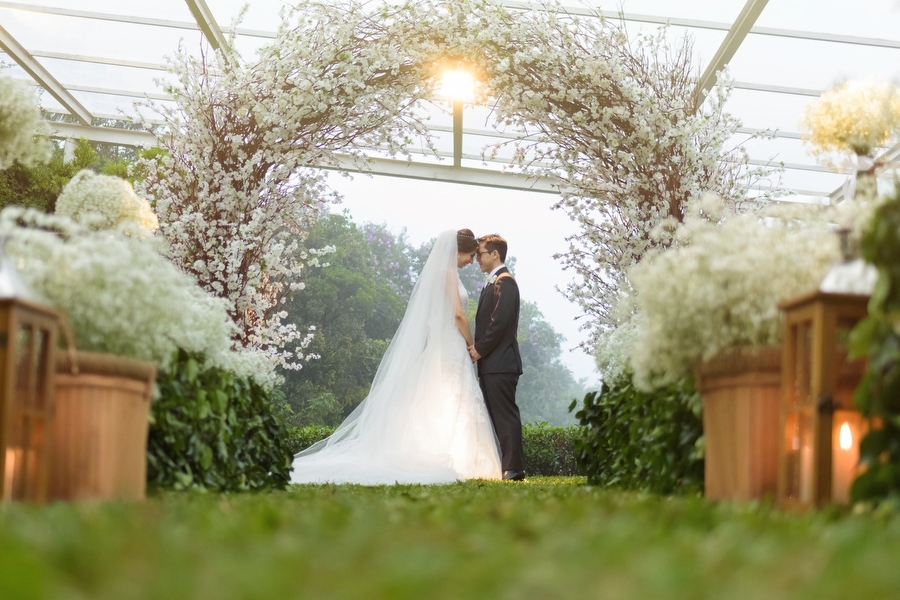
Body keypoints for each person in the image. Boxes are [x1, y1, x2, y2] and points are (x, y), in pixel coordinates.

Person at [290, 229, 501, 484]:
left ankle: (459, 454)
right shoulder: (447, 273)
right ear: (457, 252)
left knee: (448, 398)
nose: (471, 261)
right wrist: (472, 344)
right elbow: (457, 314)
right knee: (452, 397)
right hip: (451, 345)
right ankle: (456, 456)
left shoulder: (446, 274)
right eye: (469, 256)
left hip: (446, 345)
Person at [468, 234, 526, 481]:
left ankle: (513, 469)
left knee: (505, 415)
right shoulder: (493, 282)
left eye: (480, 253)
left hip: (501, 363)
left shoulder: (506, 282)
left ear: (495, 254)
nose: (477, 259)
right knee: (495, 415)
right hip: (492, 364)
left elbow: (499, 323)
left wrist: (479, 348)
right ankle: (504, 466)